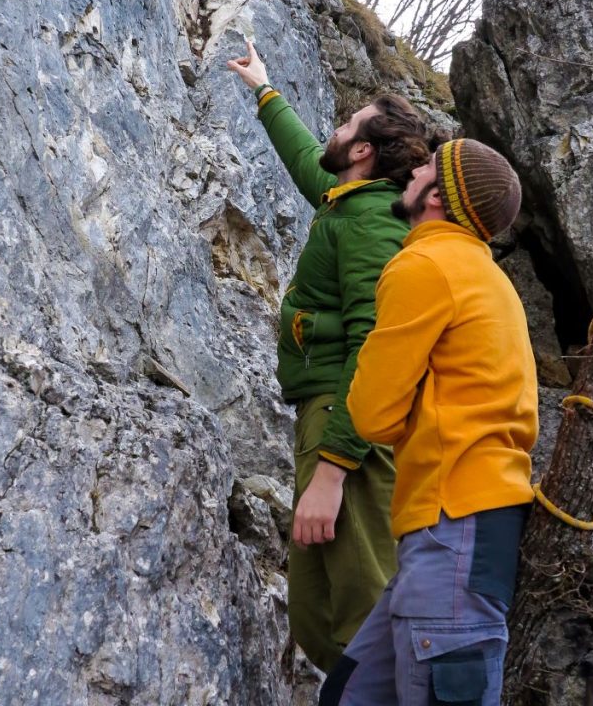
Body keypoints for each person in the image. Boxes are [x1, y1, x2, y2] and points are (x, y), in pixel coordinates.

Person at [227, 39, 432, 673]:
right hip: (325, 415)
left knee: (365, 607)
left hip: (351, 431)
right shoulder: (351, 203)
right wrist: (264, 91)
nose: (335, 131)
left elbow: (377, 348)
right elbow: (307, 164)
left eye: (346, 125)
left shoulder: (371, 224)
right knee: (315, 610)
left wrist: (334, 469)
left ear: (363, 151)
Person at [321, 138, 539, 706]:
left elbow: (370, 413)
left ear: (438, 195)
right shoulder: (489, 279)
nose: (412, 170)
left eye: (424, 168)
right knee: (349, 694)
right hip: (476, 526)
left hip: (452, 529)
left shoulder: (423, 265)